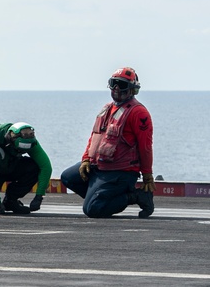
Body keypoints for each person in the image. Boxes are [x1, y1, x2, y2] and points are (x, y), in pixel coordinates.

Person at [61, 67, 155, 218]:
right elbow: (94, 137)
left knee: (92, 210)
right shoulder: (107, 108)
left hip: (121, 171)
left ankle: (136, 196)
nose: (116, 88)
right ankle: (102, 198)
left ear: (132, 89)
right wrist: (86, 159)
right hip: (99, 166)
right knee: (68, 177)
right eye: (114, 83)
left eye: (122, 84)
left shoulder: (138, 112)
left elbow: (145, 146)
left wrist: (147, 174)